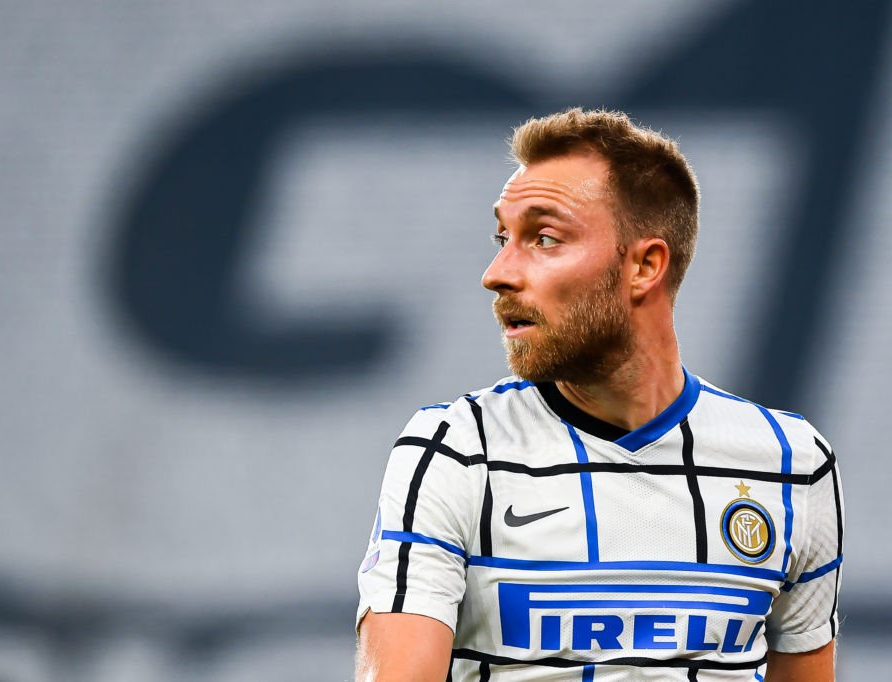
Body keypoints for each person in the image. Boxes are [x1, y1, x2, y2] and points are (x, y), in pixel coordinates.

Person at [354, 108, 843, 681]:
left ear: (645, 266)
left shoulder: (794, 464)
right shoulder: (455, 452)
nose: (497, 271)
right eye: (502, 237)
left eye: (543, 237)